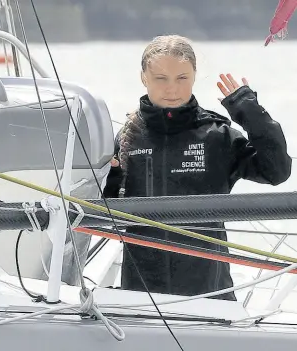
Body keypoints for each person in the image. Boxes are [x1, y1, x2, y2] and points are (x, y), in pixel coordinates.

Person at [102, 35, 292, 300]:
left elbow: (277, 172)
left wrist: (249, 111)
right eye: (161, 78)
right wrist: (108, 180)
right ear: (143, 77)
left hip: (210, 293)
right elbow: (107, 214)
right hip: (142, 297)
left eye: (182, 78)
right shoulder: (127, 137)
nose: (172, 89)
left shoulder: (218, 135)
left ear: (194, 76)